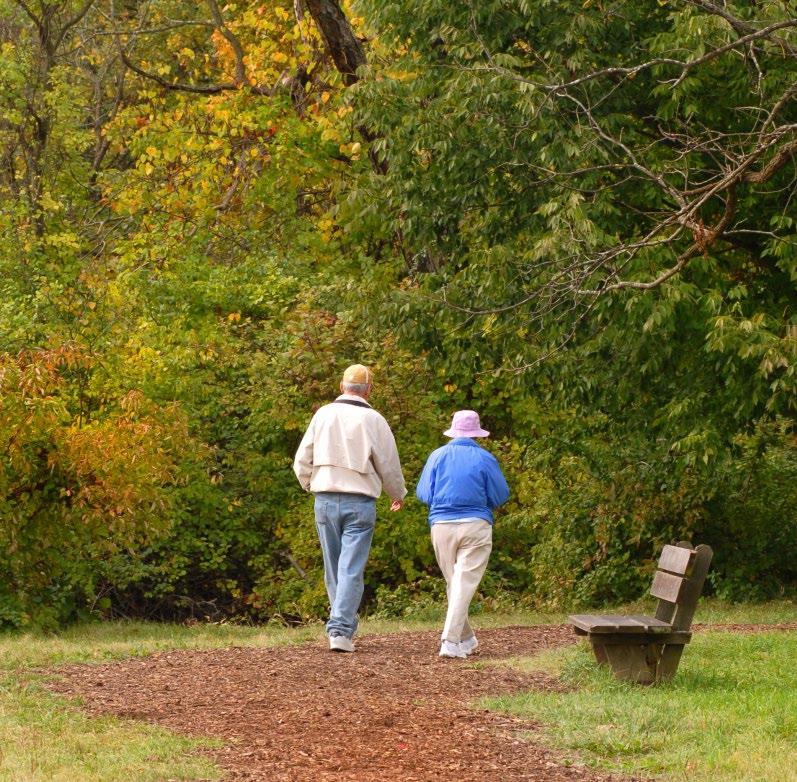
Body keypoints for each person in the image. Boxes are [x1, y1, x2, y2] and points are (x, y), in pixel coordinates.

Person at [293, 364, 406, 652]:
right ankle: (341, 630)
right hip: (360, 501)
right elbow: (389, 463)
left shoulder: (323, 415)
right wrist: (397, 493)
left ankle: (339, 626)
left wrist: (310, 483)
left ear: (342, 387)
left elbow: (302, 459)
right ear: (369, 389)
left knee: (334, 568)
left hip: (325, 499)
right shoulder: (374, 419)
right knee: (351, 568)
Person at [416, 410, 510, 658]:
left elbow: (424, 494)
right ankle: (451, 640)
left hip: (441, 526)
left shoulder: (437, 456)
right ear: (476, 434)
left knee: (456, 584)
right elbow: (500, 495)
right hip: (475, 524)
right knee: (462, 583)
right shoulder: (485, 458)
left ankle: (465, 640)